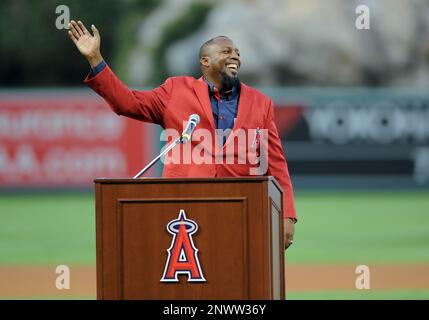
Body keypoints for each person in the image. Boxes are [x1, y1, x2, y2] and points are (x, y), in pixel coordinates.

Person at [68, 20, 296, 249]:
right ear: (204, 61)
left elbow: (276, 164)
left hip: (242, 208)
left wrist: (287, 215)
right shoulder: (175, 91)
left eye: (237, 52)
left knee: (236, 278)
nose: (235, 56)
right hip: (185, 207)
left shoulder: (261, 103)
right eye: (227, 51)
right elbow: (127, 103)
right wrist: (95, 60)